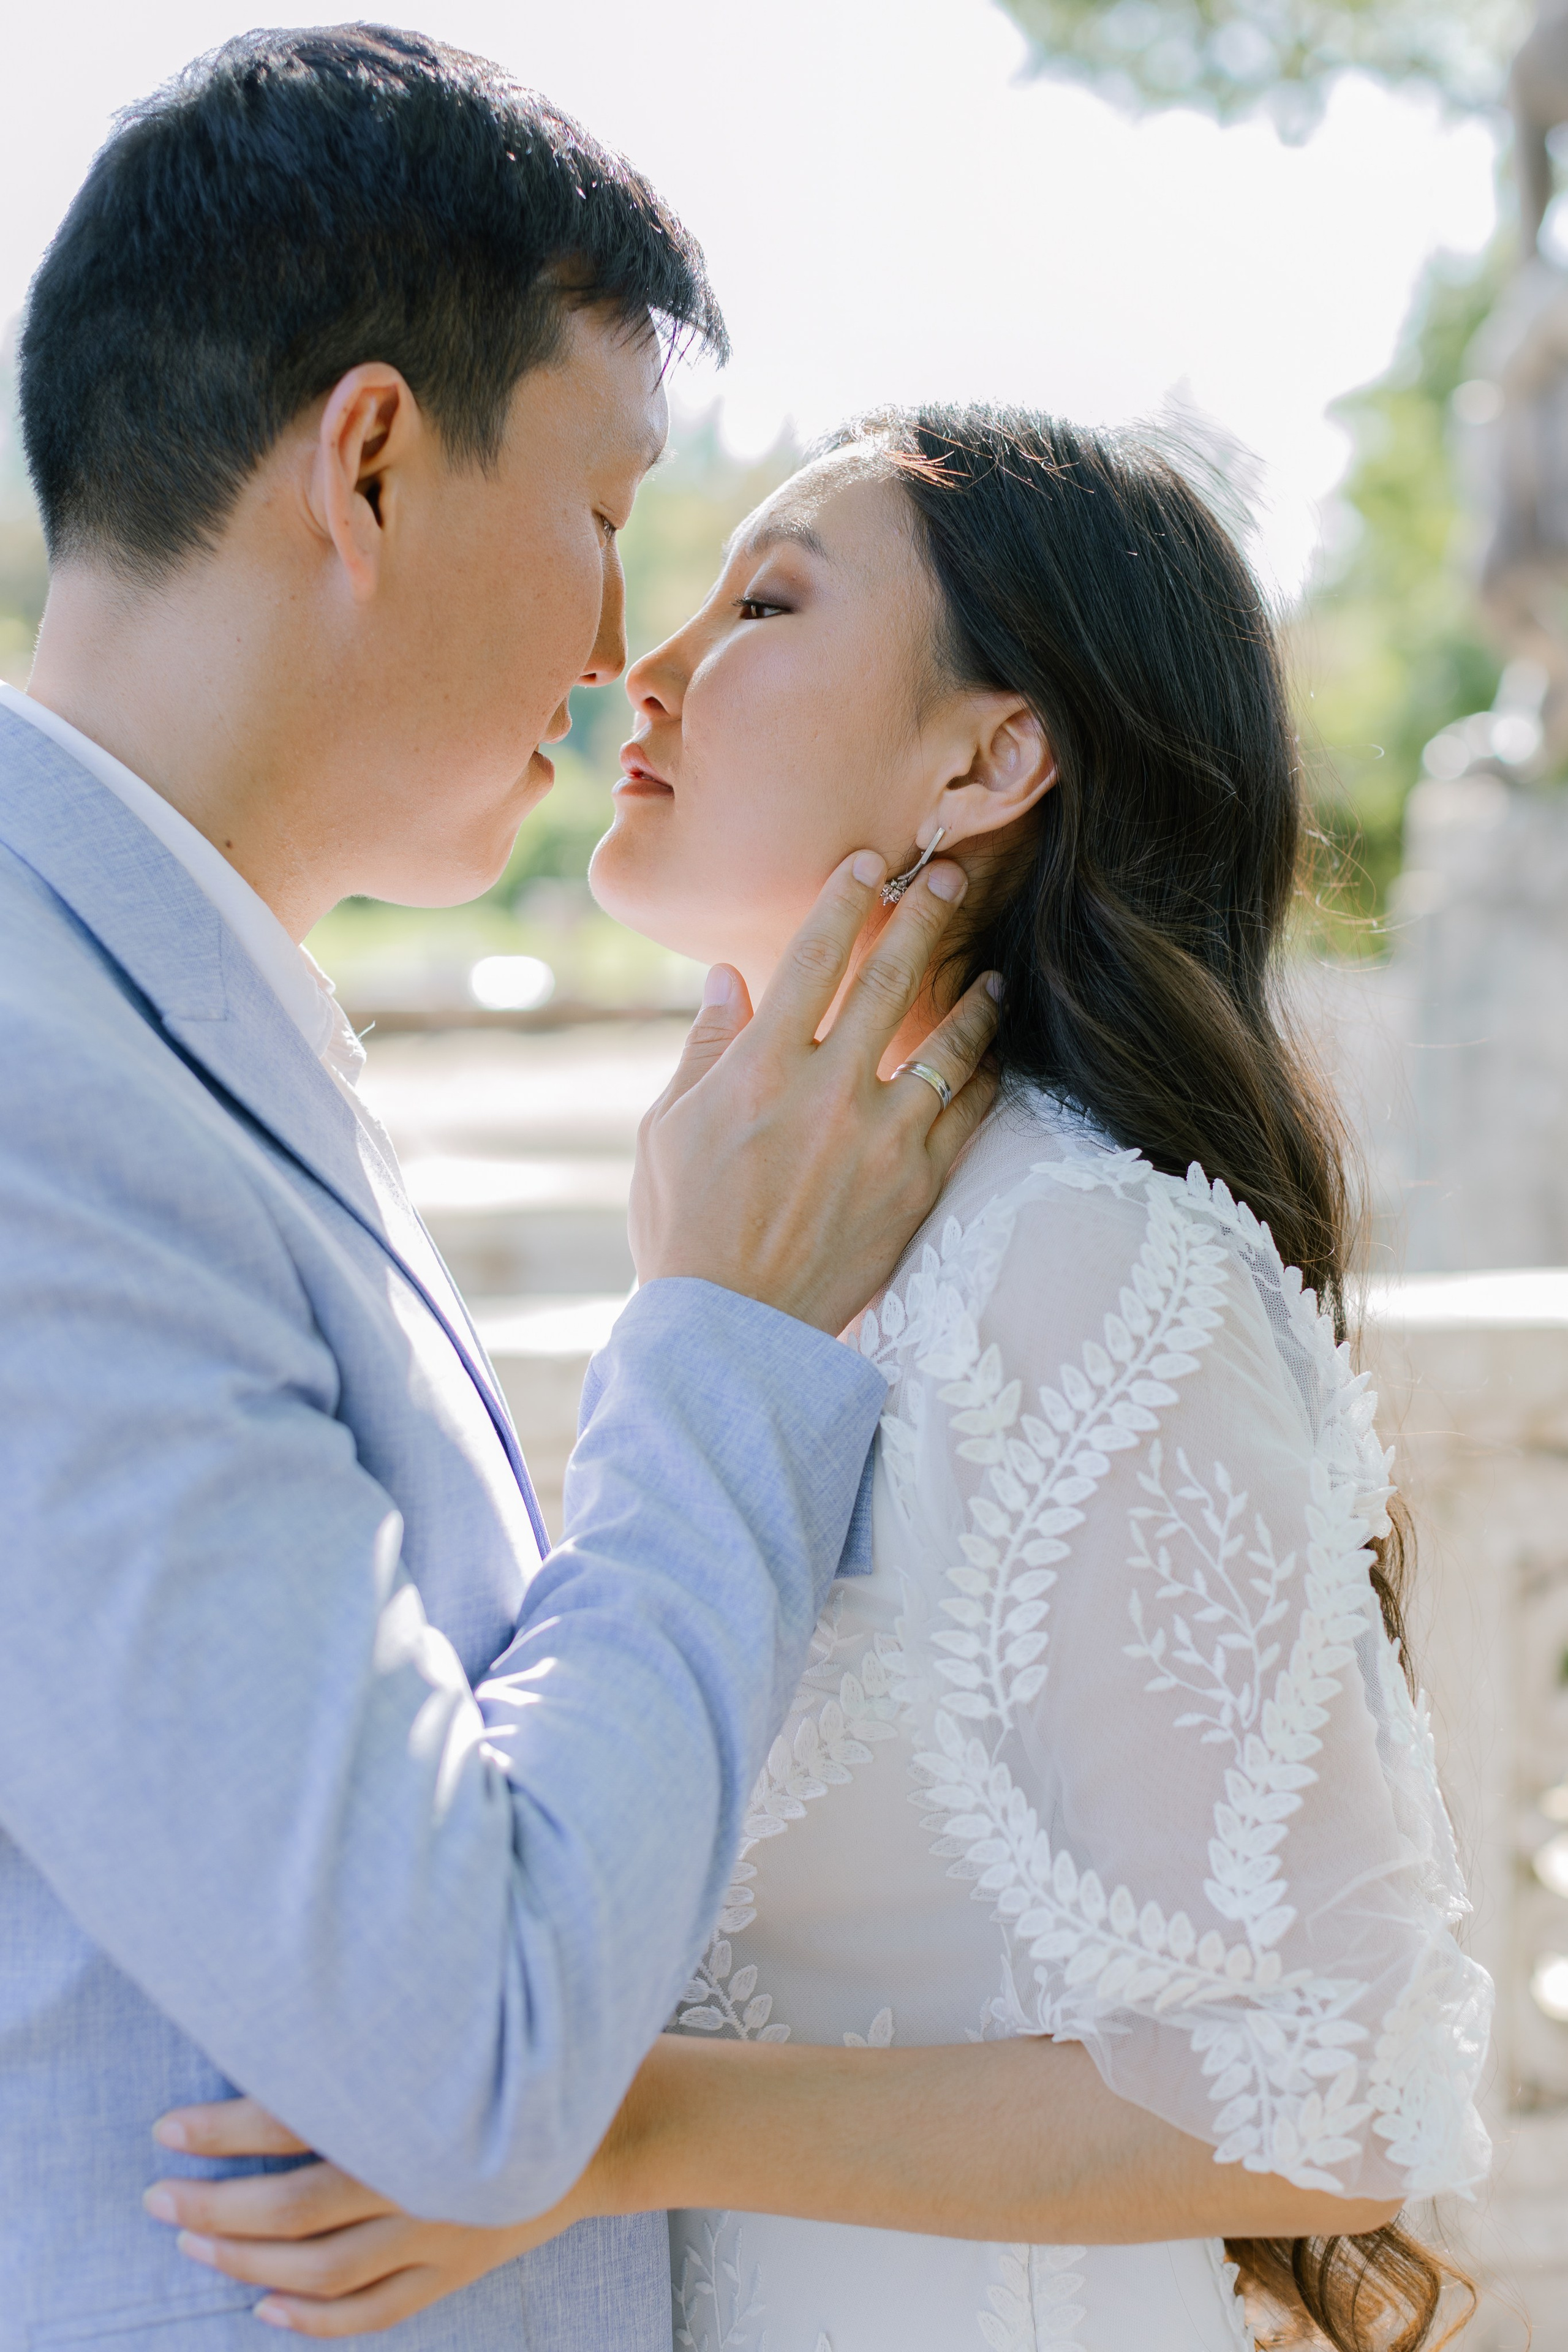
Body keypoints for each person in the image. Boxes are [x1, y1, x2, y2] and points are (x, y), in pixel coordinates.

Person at [165, 415, 1494, 2351]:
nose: (650, 663)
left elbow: (1338, 2094)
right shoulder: (772, 1245)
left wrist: (596, 2134)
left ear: (987, 758)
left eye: (766, 599)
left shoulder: (1087, 1258)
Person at [0, 31, 1007, 2352]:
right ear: (367, 460)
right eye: (602, 512)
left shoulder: (166, 1007)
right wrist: (724, 1354)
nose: (614, 649)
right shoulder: (49, 1097)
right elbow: (466, 2053)